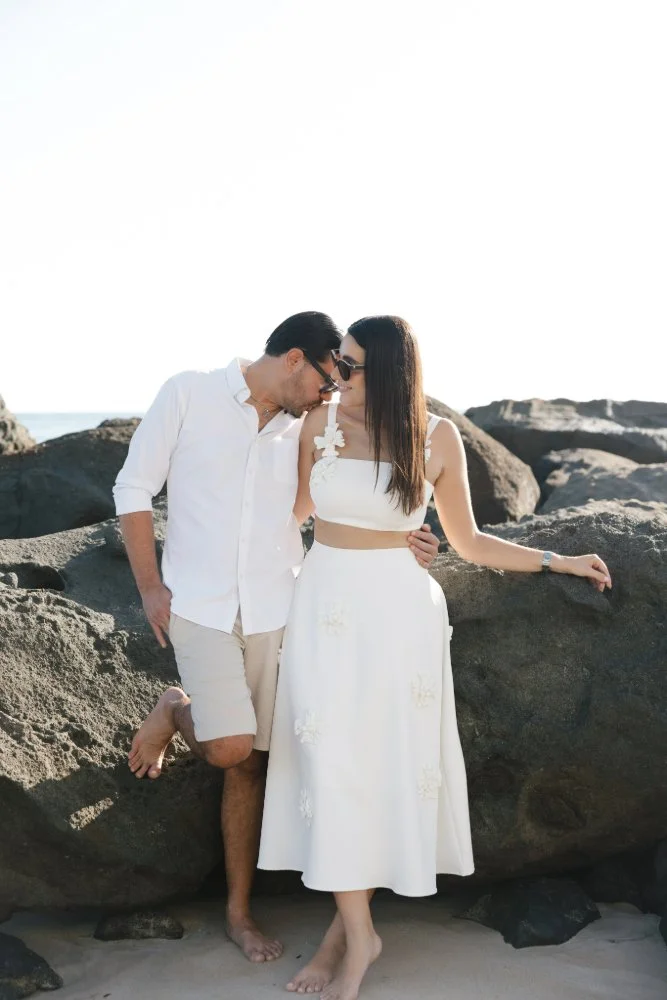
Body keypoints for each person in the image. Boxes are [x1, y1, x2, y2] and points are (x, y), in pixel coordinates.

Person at [258, 315, 613, 1000]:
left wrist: (556, 560)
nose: (340, 375)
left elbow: (472, 543)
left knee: (378, 766)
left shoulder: (437, 436)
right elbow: (285, 516)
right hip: (324, 612)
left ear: (390, 371)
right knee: (330, 766)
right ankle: (358, 931)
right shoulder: (316, 425)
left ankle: (346, 933)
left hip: (399, 620)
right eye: (338, 362)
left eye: (353, 365)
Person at [112, 312, 441, 964]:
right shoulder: (189, 392)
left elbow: (336, 495)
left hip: (278, 606)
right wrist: (150, 588)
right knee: (232, 748)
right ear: (296, 358)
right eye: (329, 376)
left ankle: (238, 912)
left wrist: (406, 535)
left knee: (257, 765)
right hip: (199, 606)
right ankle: (176, 708)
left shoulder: (309, 426)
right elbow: (133, 487)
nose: (334, 392)